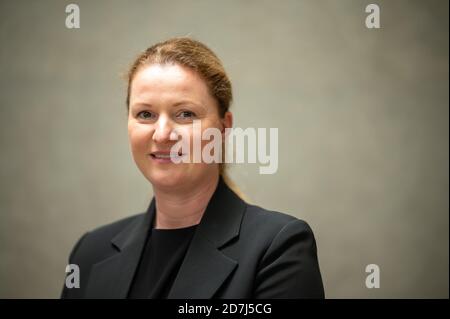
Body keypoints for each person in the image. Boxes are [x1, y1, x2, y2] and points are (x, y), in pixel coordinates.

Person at [61, 37, 325, 299]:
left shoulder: (278, 249)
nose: (162, 134)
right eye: (145, 114)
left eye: (185, 114)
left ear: (224, 127)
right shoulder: (90, 253)